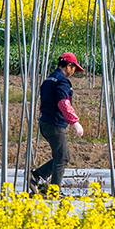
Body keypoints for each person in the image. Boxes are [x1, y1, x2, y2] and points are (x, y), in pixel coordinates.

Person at [30, 52, 85, 193]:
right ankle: (51, 189)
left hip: (45, 122)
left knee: (61, 156)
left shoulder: (48, 80)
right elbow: (63, 103)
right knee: (62, 157)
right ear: (68, 66)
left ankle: (38, 178)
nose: (73, 72)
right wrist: (75, 122)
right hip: (54, 123)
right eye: (73, 69)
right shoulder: (62, 81)